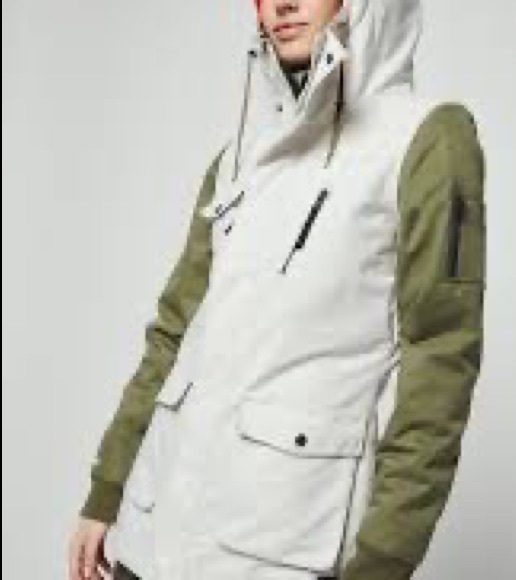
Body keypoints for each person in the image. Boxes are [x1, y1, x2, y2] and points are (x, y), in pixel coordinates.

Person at [67, 0, 487, 579]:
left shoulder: (426, 139)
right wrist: (107, 489)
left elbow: (440, 364)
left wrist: (384, 560)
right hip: (151, 539)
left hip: (279, 554)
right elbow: (173, 333)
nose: (281, 4)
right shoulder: (242, 154)